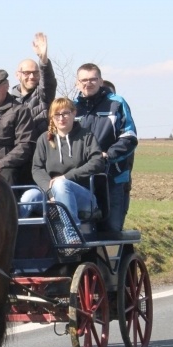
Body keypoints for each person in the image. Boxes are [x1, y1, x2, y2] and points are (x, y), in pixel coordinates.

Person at [19, 97, 105, 228]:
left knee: (60, 184)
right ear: (52, 117)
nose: (61, 118)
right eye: (57, 114)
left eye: (65, 113)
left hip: (84, 198)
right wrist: (51, 192)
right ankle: (16, 237)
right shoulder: (45, 139)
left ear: (74, 113)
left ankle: (71, 235)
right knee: (29, 196)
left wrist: (66, 178)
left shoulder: (87, 136)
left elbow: (97, 162)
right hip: (51, 194)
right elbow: (37, 168)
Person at [74, 63, 137, 232]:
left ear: (101, 81)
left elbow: (129, 138)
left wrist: (107, 156)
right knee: (82, 230)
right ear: (77, 83)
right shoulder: (71, 108)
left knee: (111, 230)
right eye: (84, 80)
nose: (88, 83)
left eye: (93, 79)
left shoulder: (116, 104)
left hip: (112, 178)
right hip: (81, 179)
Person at [10, 32, 58, 185]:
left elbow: (48, 82)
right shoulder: (8, 100)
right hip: (17, 160)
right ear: (18, 74)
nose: (32, 76)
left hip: (41, 158)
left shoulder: (43, 94)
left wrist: (43, 59)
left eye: (35, 72)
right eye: (27, 73)